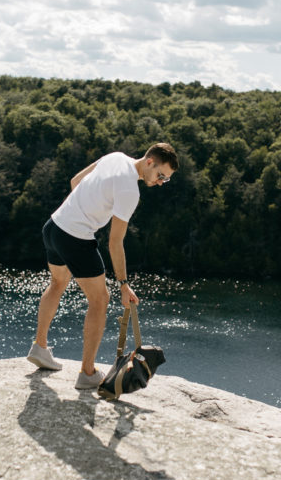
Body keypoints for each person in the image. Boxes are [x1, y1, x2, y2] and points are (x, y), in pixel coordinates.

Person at [26, 142, 179, 389]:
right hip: (75, 237)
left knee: (58, 282)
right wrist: (123, 285)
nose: (161, 182)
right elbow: (115, 243)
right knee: (100, 300)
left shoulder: (116, 156)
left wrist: (85, 209)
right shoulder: (131, 190)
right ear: (149, 161)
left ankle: (40, 347)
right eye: (161, 175)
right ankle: (87, 373)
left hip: (54, 226)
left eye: (166, 180)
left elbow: (76, 181)